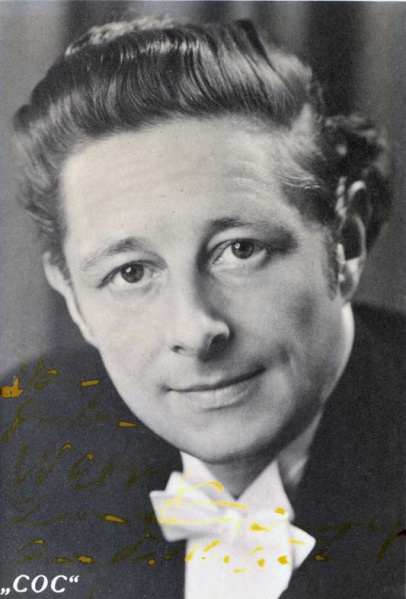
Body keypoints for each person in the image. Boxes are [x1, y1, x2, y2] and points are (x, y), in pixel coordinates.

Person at [1, 16, 404, 599]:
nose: (194, 330)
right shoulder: (24, 436)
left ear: (345, 246)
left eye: (239, 250)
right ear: (74, 300)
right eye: (130, 272)